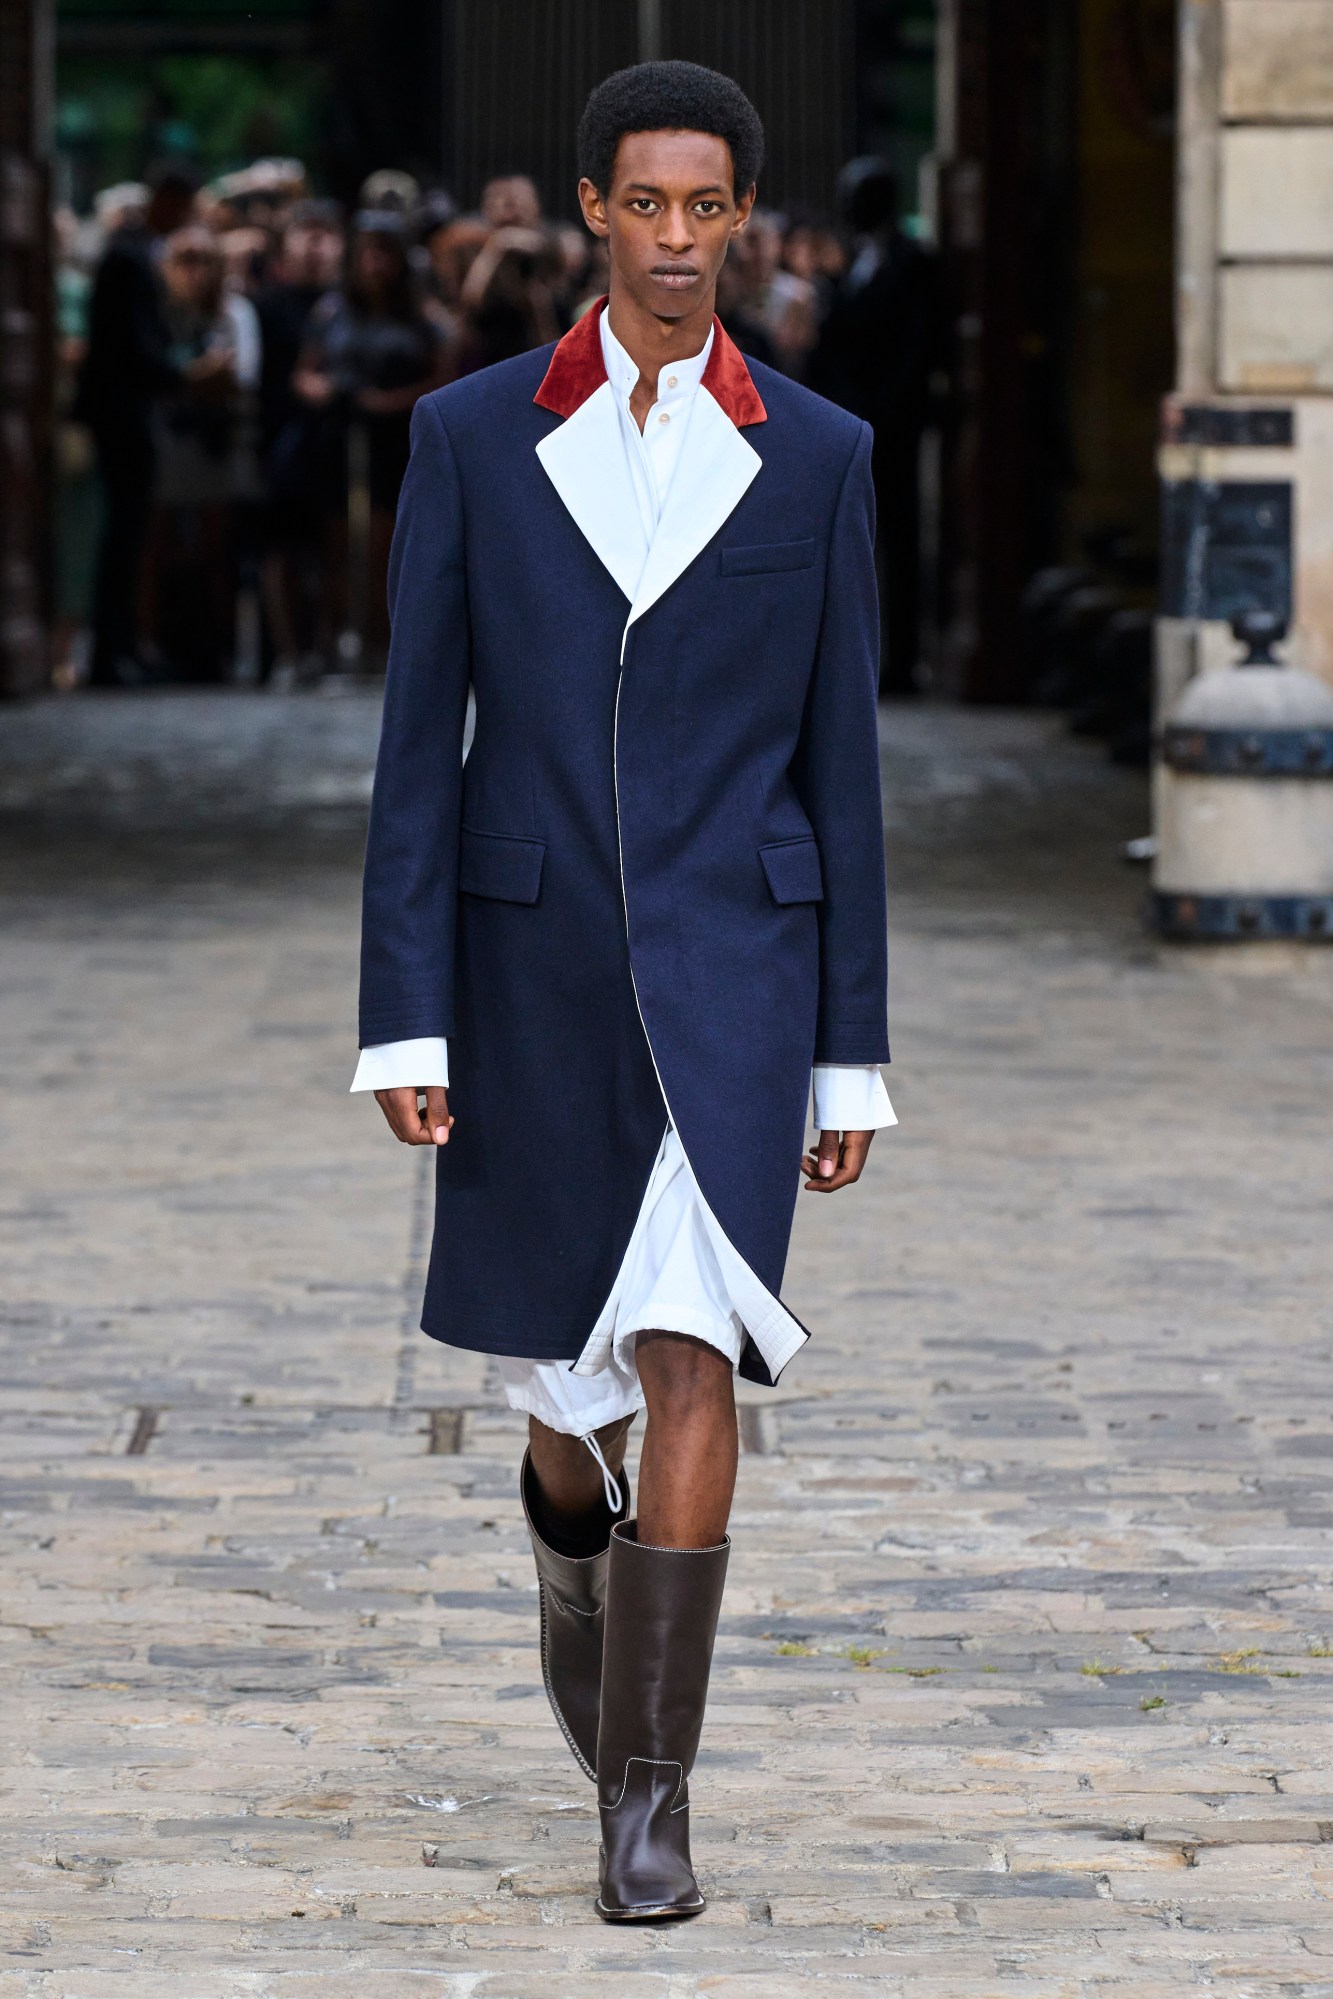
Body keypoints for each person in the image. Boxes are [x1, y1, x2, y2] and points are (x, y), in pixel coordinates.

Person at [353, 61, 894, 1922]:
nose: (676, 241)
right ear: (591, 210)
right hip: (533, 974)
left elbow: (842, 769)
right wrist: (403, 1016)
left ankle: (647, 1798)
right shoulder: (472, 436)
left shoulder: (818, 453)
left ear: (744, 217)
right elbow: (418, 748)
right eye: (644, 206)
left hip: (739, 979)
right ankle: (571, 1565)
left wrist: (849, 1054)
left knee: (689, 1345)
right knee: (566, 1398)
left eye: (708, 208)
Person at [76, 160, 229, 686]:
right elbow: (133, 350)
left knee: (128, 536)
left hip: (126, 411)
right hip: (123, 415)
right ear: (167, 200)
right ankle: (110, 655)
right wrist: (188, 374)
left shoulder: (133, 254)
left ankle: (117, 650)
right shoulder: (130, 257)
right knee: (124, 536)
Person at [809, 159, 943, 696]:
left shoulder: (914, 263)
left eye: (855, 196)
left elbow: (917, 348)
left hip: (892, 428)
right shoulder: (854, 262)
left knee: (899, 541)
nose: (845, 207)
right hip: (850, 425)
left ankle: (902, 661)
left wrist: (883, 412)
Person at [295, 211, 446, 669]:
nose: (376, 262)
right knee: (336, 542)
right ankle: (334, 638)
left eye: (385, 252)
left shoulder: (422, 315)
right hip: (338, 436)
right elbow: (306, 370)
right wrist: (322, 390)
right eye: (368, 252)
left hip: (395, 441)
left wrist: (390, 402)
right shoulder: (332, 311)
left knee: (386, 542)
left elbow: (442, 378)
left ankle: (382, 641)